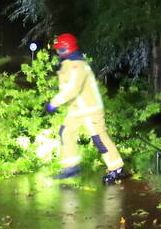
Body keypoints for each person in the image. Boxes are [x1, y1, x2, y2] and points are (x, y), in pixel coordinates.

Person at [44, 33, 127, 184]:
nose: (57, 52)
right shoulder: (68, 64)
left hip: (90, 110)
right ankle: (71, 166)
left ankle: (117, 168)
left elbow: (73, 89)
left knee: (99, 139)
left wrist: (54, 103)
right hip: (77, 110)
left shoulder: (78, 65)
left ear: (67, 49)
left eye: (60, 49)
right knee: (65, 133)